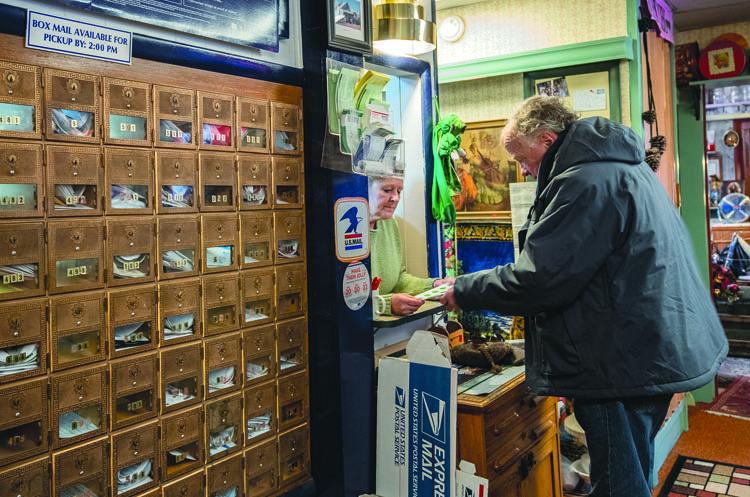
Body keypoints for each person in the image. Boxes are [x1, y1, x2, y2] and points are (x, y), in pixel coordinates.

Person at [440, 96, 728, 497]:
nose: (522, 170)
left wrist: (462, 289)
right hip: (648, 352)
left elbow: (540, 278)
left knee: (618, 484)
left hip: (617, 365)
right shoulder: (621, 169)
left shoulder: (583, 182)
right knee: (632, 471)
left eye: (523, 159)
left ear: (546, 138)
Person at [369, 176, 452, 316]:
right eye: (387, 190)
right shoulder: (345, 228)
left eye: (399, 191)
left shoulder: (389, 223)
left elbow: (398, 280)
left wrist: (434, 286)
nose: (395, 198)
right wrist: (386, 304)